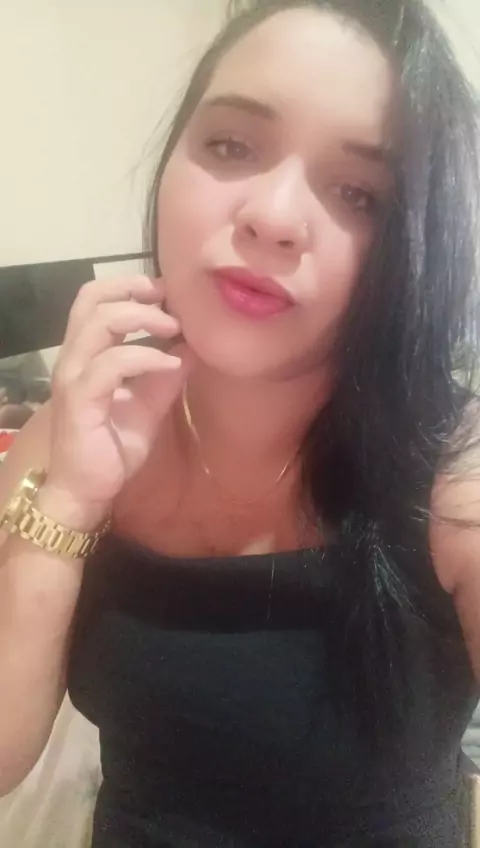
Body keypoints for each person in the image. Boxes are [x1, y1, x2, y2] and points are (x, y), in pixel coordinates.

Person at [0, 0, 479, 844]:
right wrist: (68, 500)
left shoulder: (455, 472)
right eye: (230, 145)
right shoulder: (77, 427)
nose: (273, 216)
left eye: (357, 192)